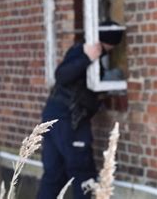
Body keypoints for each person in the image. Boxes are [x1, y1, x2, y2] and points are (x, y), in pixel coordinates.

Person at [37, 20, 124, 199]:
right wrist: (88, 58)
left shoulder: (84, 51)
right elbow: (61, 75)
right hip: (70, 121)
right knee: (83, 174)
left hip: (54, 117)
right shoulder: (85, 52)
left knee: (54, 175)